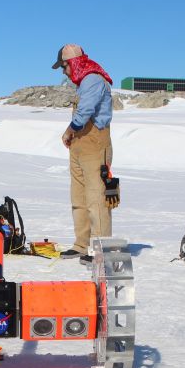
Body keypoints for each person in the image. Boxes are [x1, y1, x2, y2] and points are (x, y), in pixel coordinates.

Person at [52, 44, 114, 262]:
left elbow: (86, 110)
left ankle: (100, 250)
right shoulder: (83, 82)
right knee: (78, 197)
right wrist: (72, 136)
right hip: (79, 145)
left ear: (73, 63)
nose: (64, 72)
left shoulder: (93, 79)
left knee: (97, 197)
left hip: (95, 144)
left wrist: (70, 130)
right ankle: (81, 245)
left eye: (64, 67)